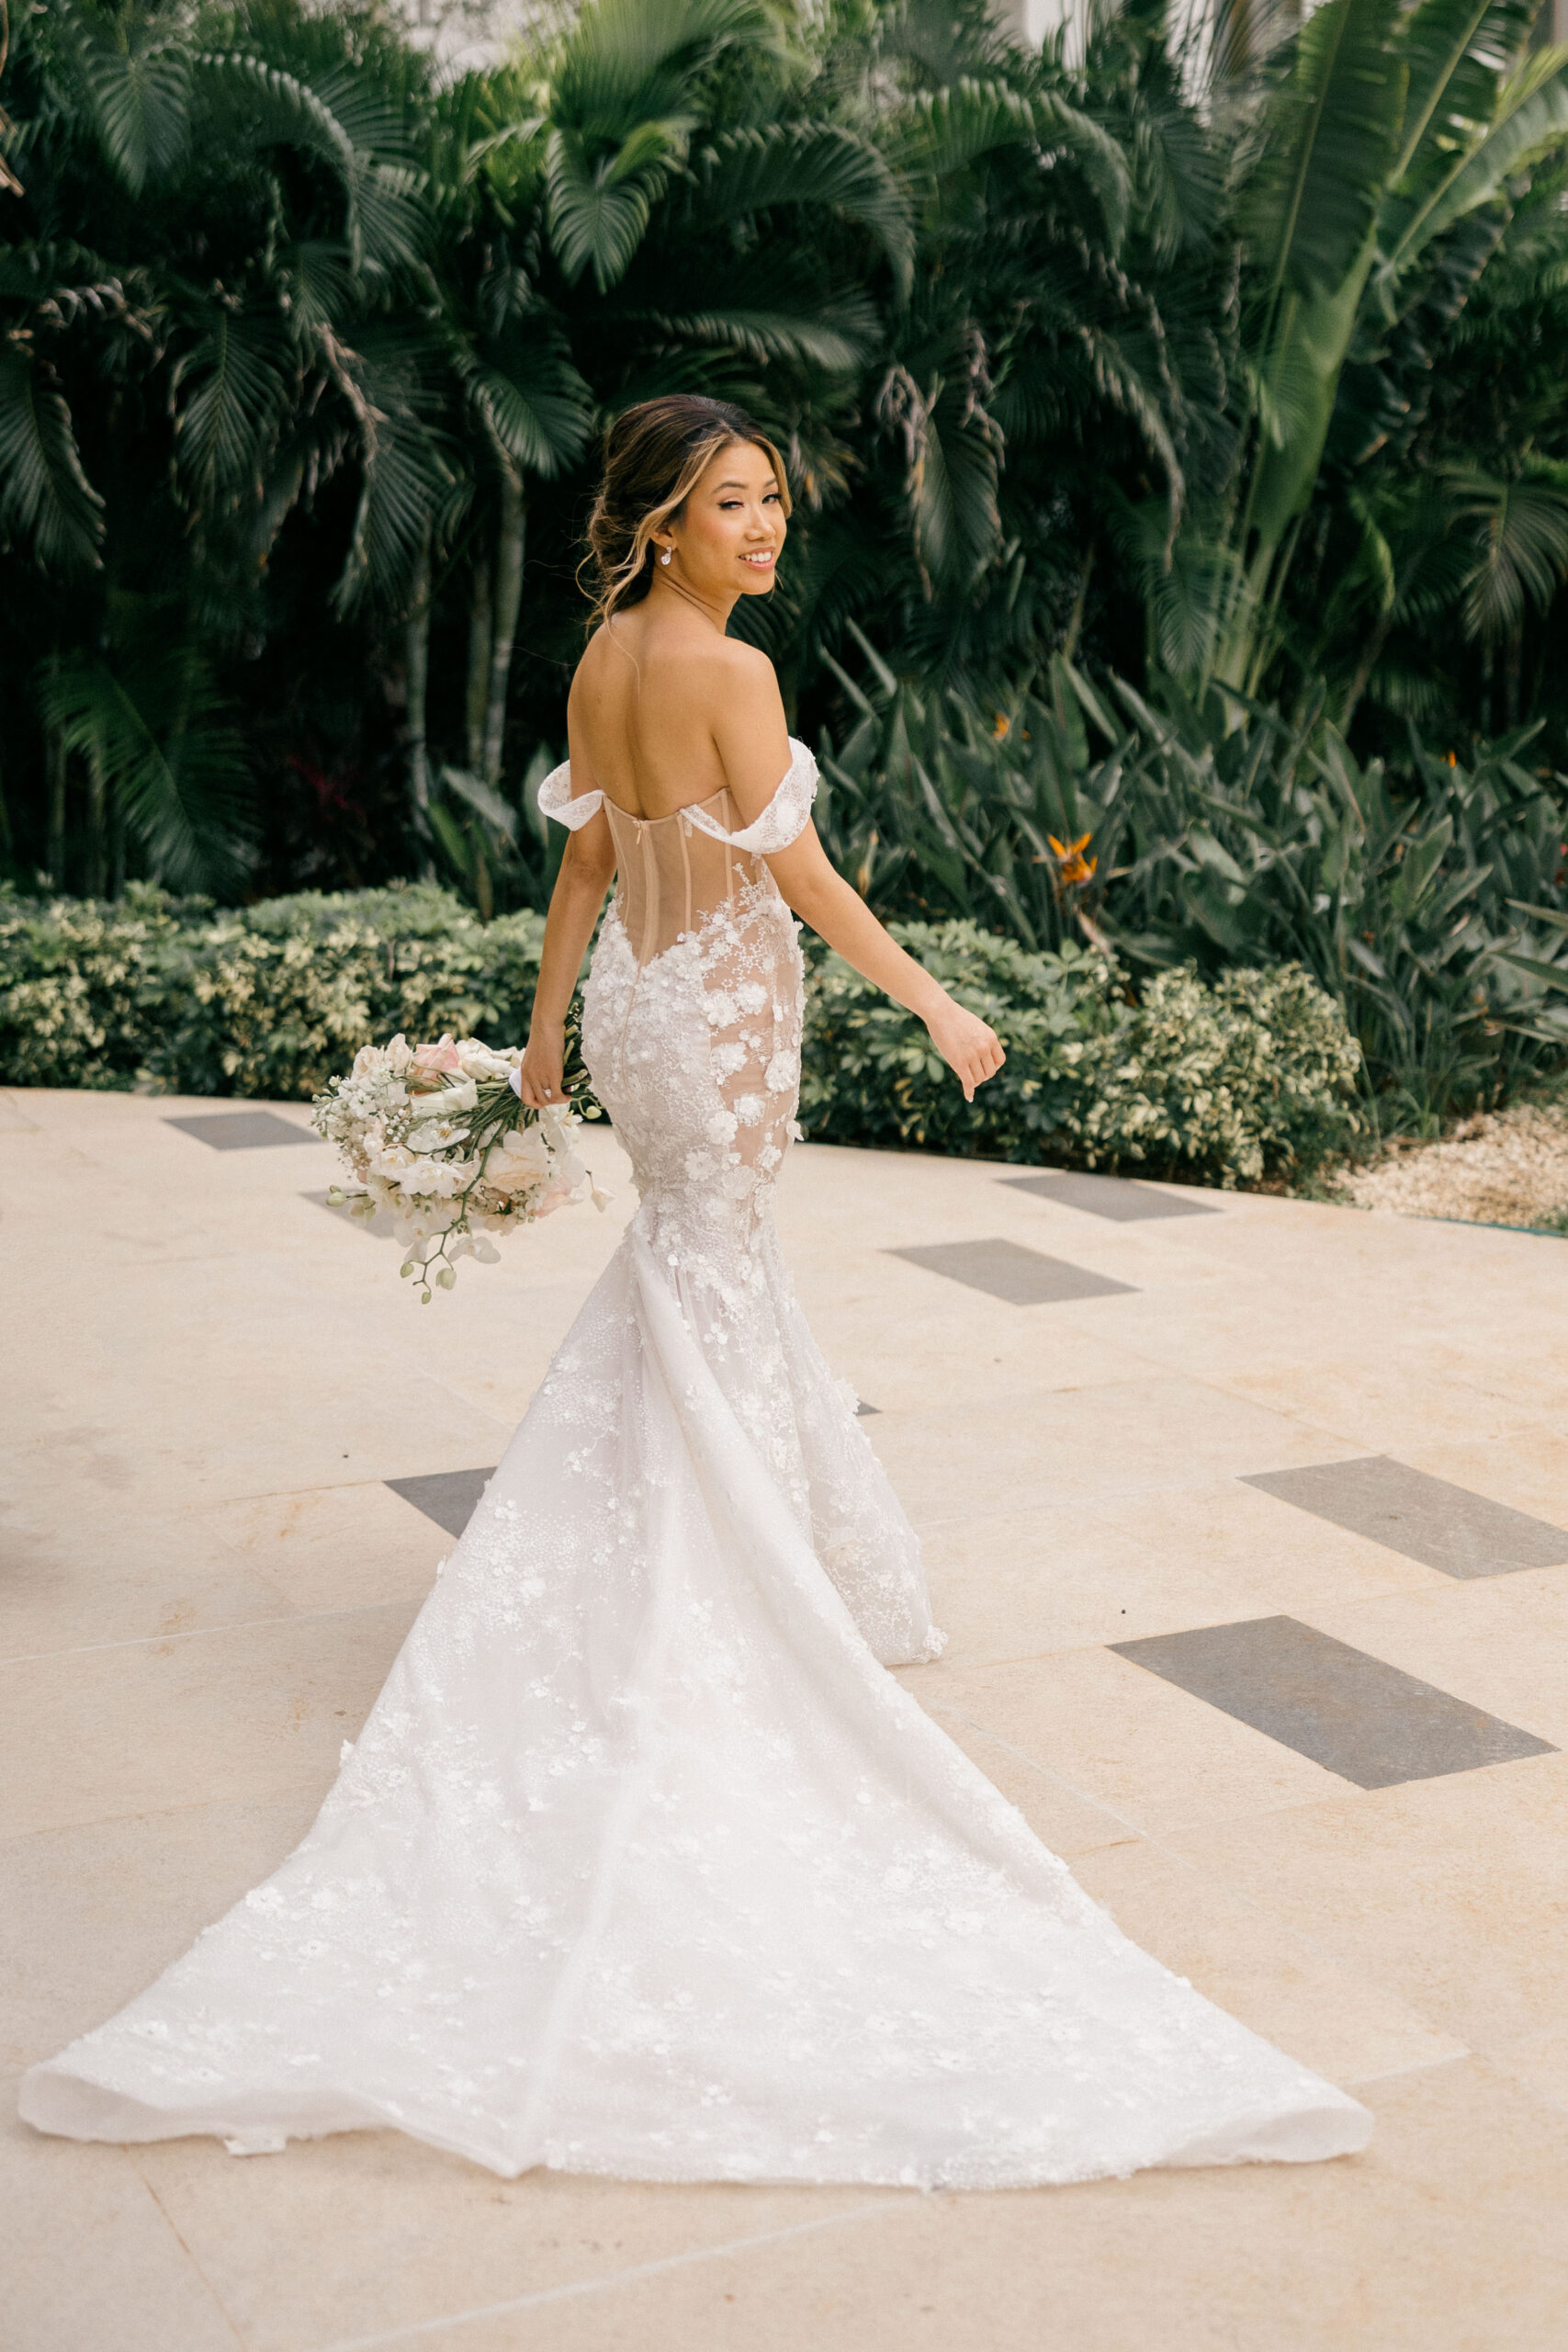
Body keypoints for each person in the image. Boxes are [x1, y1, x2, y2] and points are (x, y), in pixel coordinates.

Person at [20, 396, 1370, 2185]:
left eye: (774, 504)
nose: (765, 530)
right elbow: (794, 876)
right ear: (657, 517)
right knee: (711, 1272)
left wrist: (539, 1049)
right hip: (719, 1015)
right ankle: (718, 1598)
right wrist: (940, 1003)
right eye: (732, 503)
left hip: (639, 1015)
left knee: (686, 1275)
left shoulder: (595, 659)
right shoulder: (728, 679)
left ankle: (694, 1546)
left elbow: (581, 860)